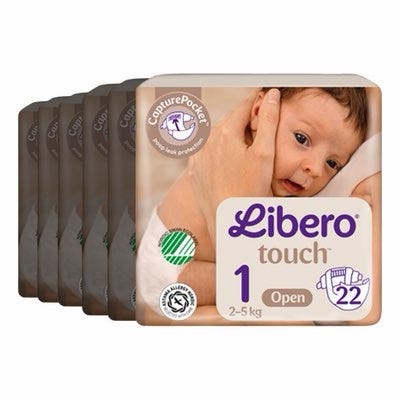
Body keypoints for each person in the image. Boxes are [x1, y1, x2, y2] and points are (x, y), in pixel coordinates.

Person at [137, 87, 371, 316]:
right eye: (302, 139)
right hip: (172, 266)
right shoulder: (239, 163)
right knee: (251, 288)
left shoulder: (279, 182)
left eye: (332, 163)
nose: (316, 169)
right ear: (260, 111)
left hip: (192, 261)